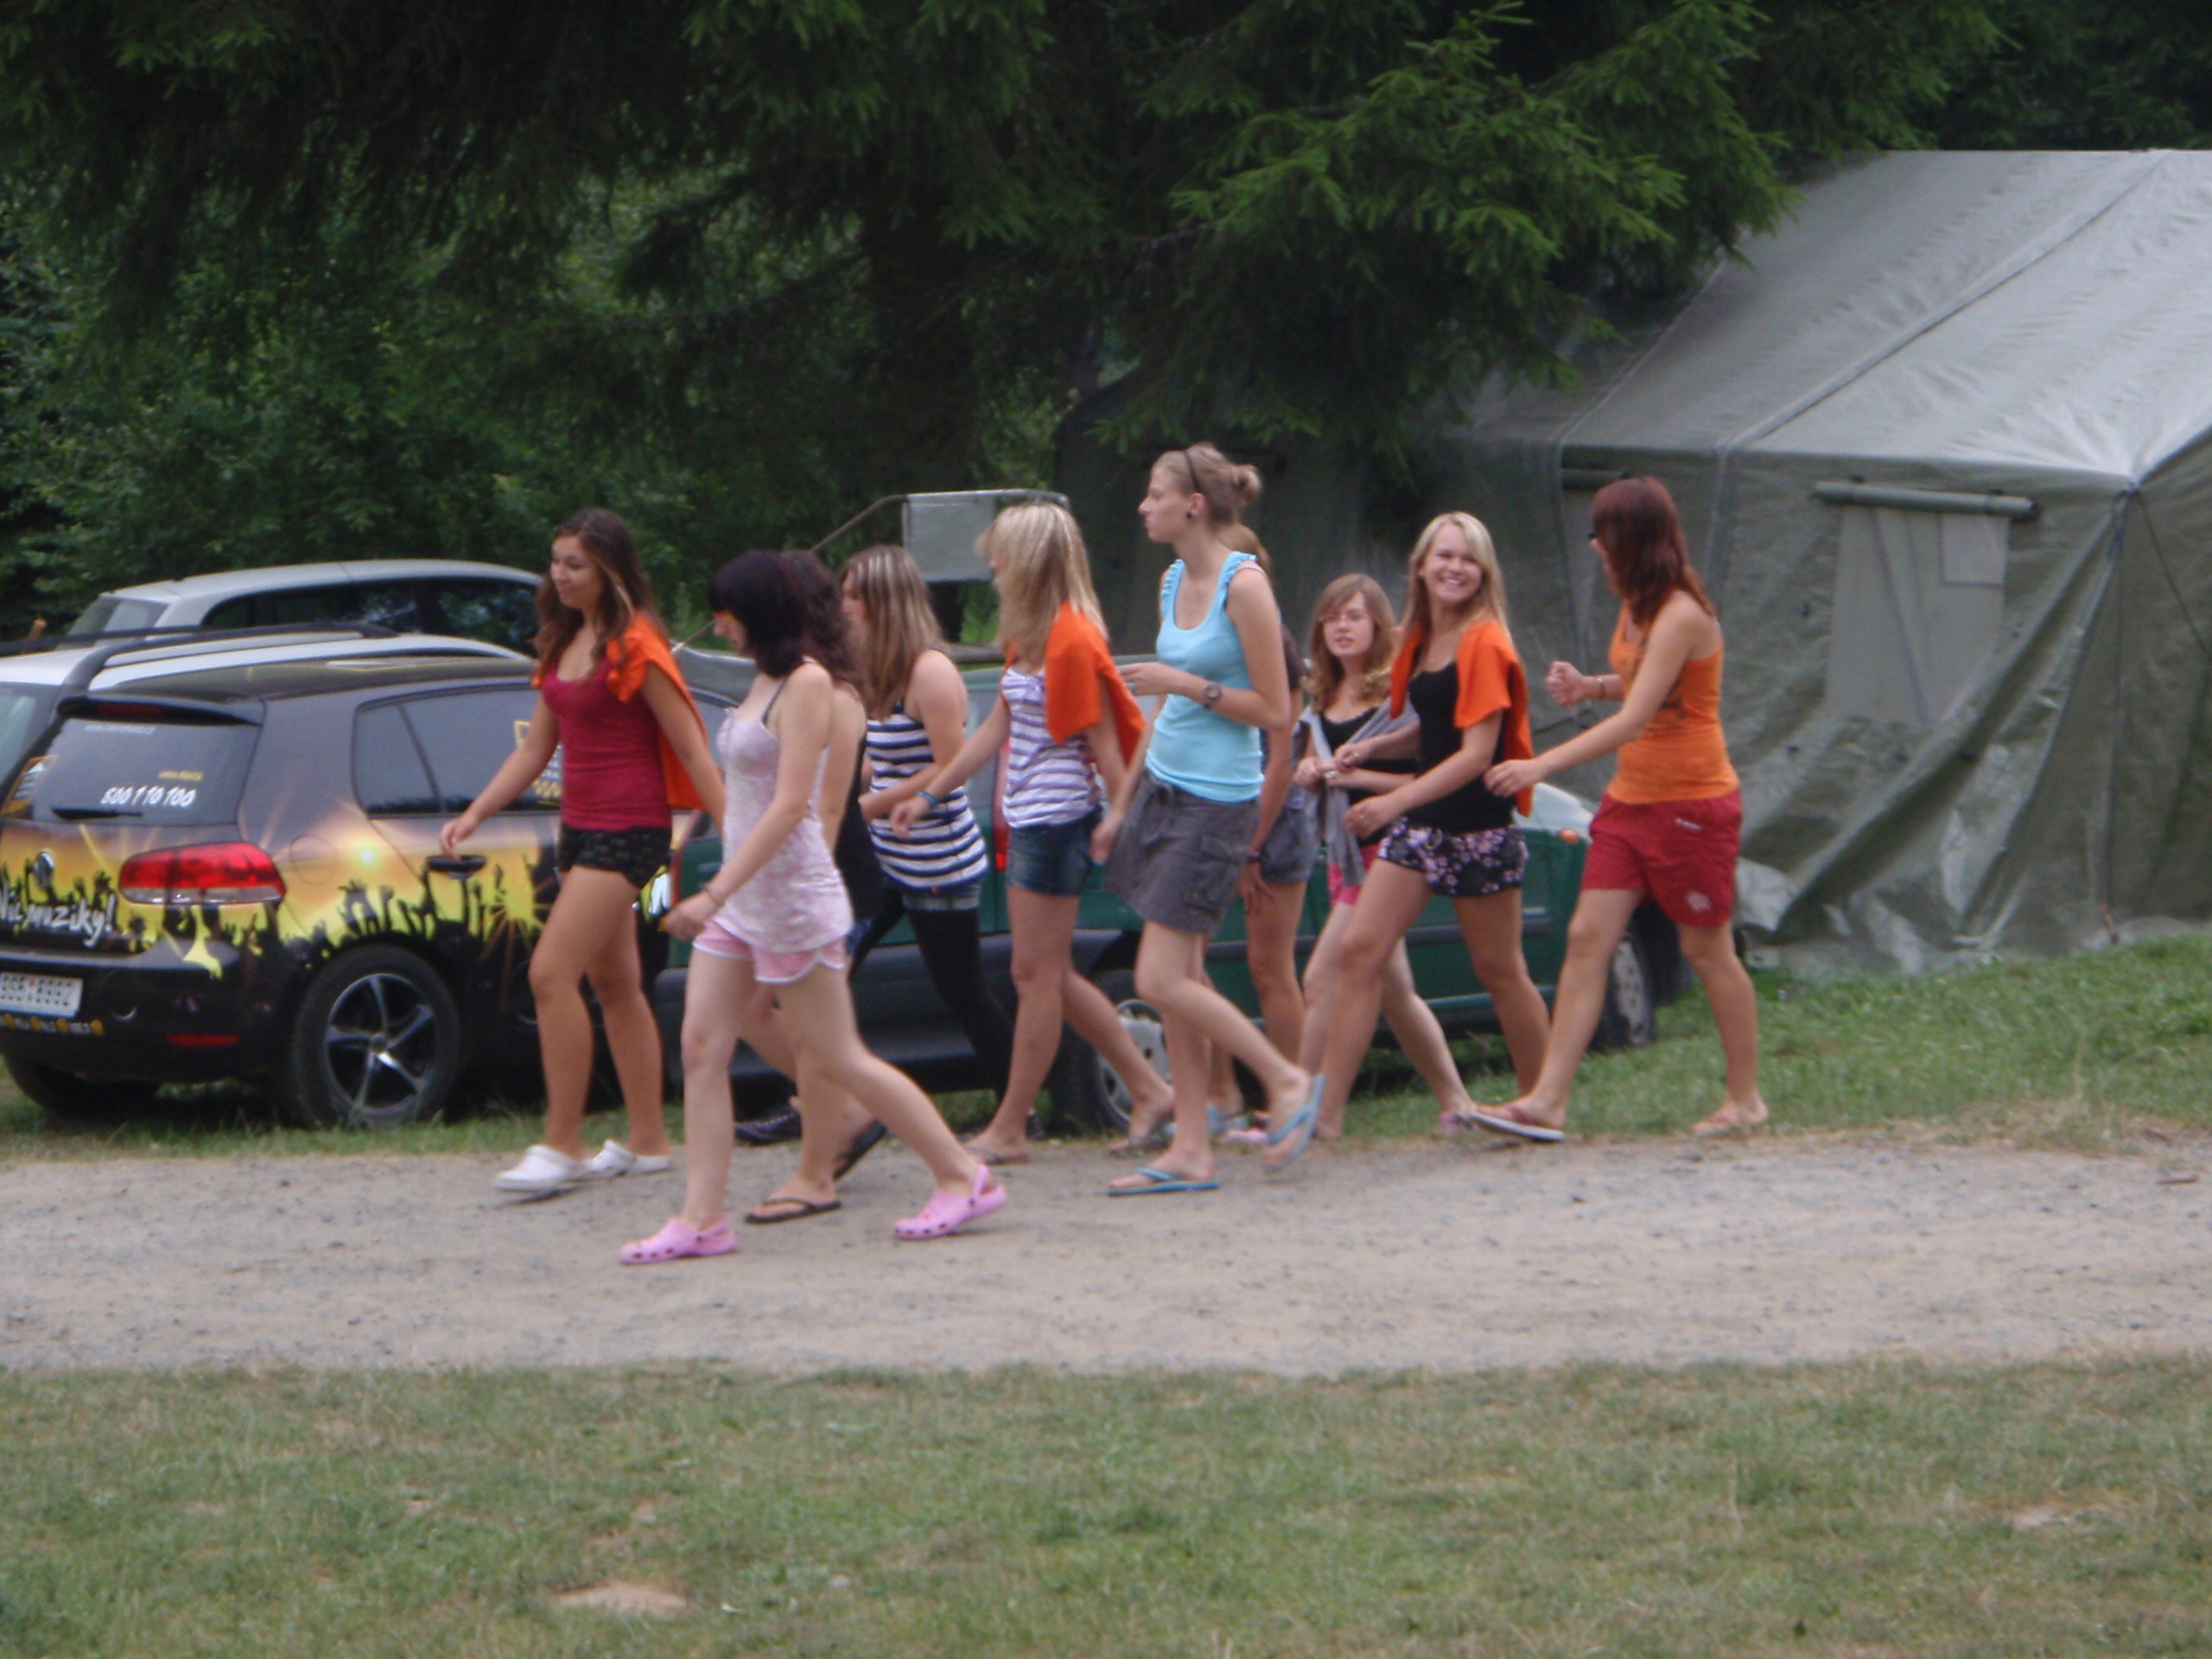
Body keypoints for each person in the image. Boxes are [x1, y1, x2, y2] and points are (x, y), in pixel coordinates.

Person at [625, 551, 1006, 1262]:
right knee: (702, 1046)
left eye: (727, 613)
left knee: (838, 1057)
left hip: (792, 897)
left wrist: (715, 891)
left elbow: (794, 806)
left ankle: (963, 1174)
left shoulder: (807, 683)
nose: (719, 625)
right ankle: (702, 1217)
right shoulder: (765, 679)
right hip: (745, 900)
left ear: (760, 611)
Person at [441, 508, 726, 1198]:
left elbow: (691, 746)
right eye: (556, 562)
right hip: (578, 828)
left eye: (575, 564)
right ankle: (649, 1142)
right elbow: (536, 749)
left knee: (549, 974)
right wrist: (477, 810)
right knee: (616, 984)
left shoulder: (636, 646)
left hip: (630, 830)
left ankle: (561, 1143)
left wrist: (737, 833)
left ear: (609, 571)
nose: (559, 575)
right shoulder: (562, 639)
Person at [1481, 475, 1768, 1139]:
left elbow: (1639, 718)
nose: (1593, 545)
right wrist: (1592, 686)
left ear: (1633, 539)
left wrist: (1542, 764)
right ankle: (1547, 1100)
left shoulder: (1681, 612)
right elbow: (1646, 684)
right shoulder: (1634, 604)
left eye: (1603, 533)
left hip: (1692, 804)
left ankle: (1746, 1099)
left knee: (1705, 949)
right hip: (1630, 802)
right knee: (1588, 938)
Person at [890, 501, 1173, 1164]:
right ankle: (1149, 1089)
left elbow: (1106, 742)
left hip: (1057, 819)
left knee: (1034, 976)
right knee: (1050, 974)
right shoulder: (1032, 635)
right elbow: (997, 728)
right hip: (1029, 819)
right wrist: (929, 793)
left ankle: (1013, 1124)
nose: (991, 565)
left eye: (1000, 554)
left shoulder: (1074, 639)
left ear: (1030, 561)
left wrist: (1118, 820)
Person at [1096, 442, 1323, 1192]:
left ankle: (1285, 1080)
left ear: (1193, 505)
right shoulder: (1172, 580)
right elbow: (1164, 707)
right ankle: (1192, 1147)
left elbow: (1276, 710)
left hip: (1217, 802)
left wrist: (1185, 683)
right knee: (1183, 976)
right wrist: (1124, 800)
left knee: (1157, 976)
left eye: (1155, 494)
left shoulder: (1244, 585)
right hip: (1165, 791)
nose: (1143, 506)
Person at [1313, 512, 1550, 1154]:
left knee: (1500, 969)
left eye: (1468, 558)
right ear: (1420, 566)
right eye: (1444, 555)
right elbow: (1439, 726)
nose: (1455, 568)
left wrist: (1392, 802)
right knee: (1361, 952)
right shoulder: (1422, 636)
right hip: (1424, 826)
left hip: (1477, 825)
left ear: (1484, 572)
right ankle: (1325, 1115)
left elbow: (1476, 753)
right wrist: (1378, 747)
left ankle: (1540, 1103)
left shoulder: (1485, 639)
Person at [1289, 574, 1480, 1138]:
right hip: (1344, 850)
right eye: (1331, 618)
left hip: (1391, 849)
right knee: (1394, 992)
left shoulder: (1397, 695)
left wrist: (1357, 776)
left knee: (1322, 978)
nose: (1341, 628)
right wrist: (1309, 770)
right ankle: (1457, 1102)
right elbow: (1310, 763)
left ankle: (1299, 1107)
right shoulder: (1322, 696)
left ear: (1379, 625)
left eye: (1353, 617)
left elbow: (1430, 773)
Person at [844, 545, 1016, 1102]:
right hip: (885, 855)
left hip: (938, 859)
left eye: (853, 596)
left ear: (884, 601)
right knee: (830, 970)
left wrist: (872, 803)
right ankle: (824, 1104)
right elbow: (886, 757)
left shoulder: (930, 670)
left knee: (961, 989)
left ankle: (1017, 1105)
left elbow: (950, 765)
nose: (844, 607)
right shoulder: (876, 671)